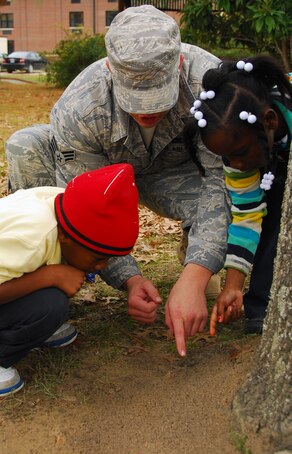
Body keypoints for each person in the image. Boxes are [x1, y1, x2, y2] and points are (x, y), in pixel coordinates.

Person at [5, 5, 230, 357]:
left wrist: (197, 273)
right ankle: (40, 288)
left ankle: (197, 257)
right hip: (103, 176)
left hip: (178, 172)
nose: (146, 110)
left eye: (158, 95)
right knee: (26, 144)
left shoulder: (212, 85)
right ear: (110, 69)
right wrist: (130, 279)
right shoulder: (81, 105)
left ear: (180, 66)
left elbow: (221, 180)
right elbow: (84, 213)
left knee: (227, 194)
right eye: (135, 98)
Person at [0, 163, 139, 397]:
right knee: (51, 305)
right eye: (98, 258)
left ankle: (32, 328)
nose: (103, 266)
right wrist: (49, 275)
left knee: (53, 296)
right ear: (65, 236)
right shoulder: (32, 236)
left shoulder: (65, 208)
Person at [184, 55, 291, 335]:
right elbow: (247, 215)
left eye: (240, 154)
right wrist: (233, 287)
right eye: (228, 158)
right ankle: (262, 305)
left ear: (270, 120)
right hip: (274, 167)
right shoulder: (240, 147)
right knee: (269, 212)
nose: (237, 164)